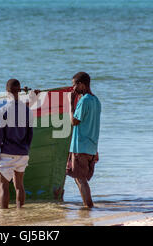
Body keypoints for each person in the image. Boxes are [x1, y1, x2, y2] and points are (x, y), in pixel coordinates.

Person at [0, 79, 34, 209]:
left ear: (7, 91)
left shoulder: (2, 111)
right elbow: (30, 135)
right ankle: (20, 214)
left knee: (3, 186)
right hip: (22, 153)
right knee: (19, 185)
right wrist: (26, 149)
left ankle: (4, 218)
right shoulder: (27, 111)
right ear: (19, 91)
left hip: (6, 154)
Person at [66, 72, 101, 208]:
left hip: (80, 146)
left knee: (80, 179)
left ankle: (88, 207)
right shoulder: (96, 101)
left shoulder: (84, 100)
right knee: (79, 178)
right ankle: (87, 206)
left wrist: (70, 102)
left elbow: (74, 121)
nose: (73, 88)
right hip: (91, 146)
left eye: (74, 85)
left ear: (81, 84)